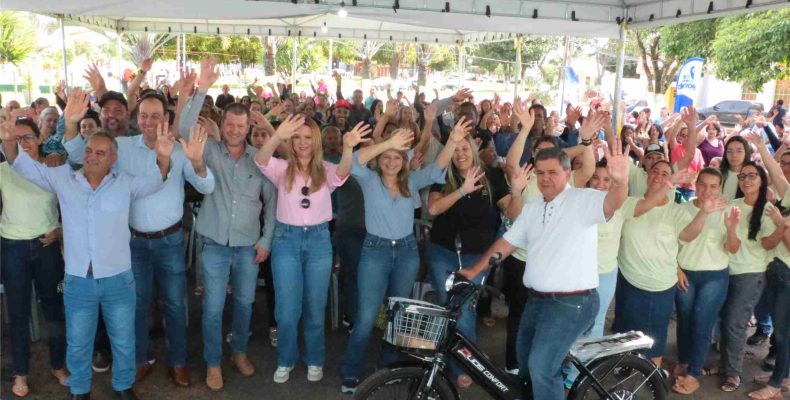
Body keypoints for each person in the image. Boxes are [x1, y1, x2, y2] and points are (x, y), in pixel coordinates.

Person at [1, 117, 174, 400]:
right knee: (78, 342)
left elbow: (156, 182)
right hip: (79, 279)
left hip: (117, 277)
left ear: (113, 158)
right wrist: (9, 140)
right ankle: (80, 389)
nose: (92, 156)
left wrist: (164, 157)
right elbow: (24, 167)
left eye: (100, 153)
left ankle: (123, 385)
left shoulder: (126, 184)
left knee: (123, 339)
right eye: (90, 150)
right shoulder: (64, 179)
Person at [459, 138, 630, 400]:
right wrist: (474, 271)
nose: (545, 178)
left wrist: (619, 181)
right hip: (537, 301)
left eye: (552, 172)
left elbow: (613, 202)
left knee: (541, 368)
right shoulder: (532, 209)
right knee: (526, 366)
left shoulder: (582, 200)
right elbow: (507, 242)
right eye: (540, 173)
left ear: (567, 173)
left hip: (573, 302)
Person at [339, 118, 471, 393]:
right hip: (376, 251)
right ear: (379, 159)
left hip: (408, 251)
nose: (390, 161)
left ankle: (387, 368)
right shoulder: (370, 180)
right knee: (366, 316)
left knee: (397, 315)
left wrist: (453, 141)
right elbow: (353, 162)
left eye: (396, 157)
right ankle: (350, 372)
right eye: (386, 157)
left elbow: (438, 168)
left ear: (404, 159)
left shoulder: (411, 180)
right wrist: (386, 143)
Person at [112, 89, 214, 387]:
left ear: (166, 119)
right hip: (133, 243)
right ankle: (140, 360)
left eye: (155, 115)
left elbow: (207, 187)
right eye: (143, 115)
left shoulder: (181, 150)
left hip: (170, 242)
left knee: (175, 304)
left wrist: (197, 162)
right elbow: (88, 159)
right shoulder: (123, 147)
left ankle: (178, 362)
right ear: (137, 118)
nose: (148, 121)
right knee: (138, 304)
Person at [255, 114, 360, 384]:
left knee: (315, 306)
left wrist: (348, 148)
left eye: (308, 138)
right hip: (285, 240)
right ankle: (285, 359)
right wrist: (277, 135)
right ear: (291, 141)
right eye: (297, 137)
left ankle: (315, 358)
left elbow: (343, 172)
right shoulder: (281, 167)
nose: (302, 143)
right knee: (287, 309)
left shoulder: (325, 169)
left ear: (316, 141)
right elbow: (260, 159)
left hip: (318, 241)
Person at [182, 100, 277, 390]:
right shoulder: (208, 150)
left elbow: (272, 204)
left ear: (248, 127)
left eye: (240, 125)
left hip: (248, 245)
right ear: (221, 126)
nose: (235, 130)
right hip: (214, 244)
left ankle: (239, 352)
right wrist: (200, 91)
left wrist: (266, 239)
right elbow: (184, 127)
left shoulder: (260, 159)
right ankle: (213, 362)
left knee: (245, 304)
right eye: (230, 125)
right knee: (212, 307)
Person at [1, 117, 68, 397]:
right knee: (17, 314)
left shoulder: (53, 168)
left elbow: (74, 206)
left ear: (40, 138)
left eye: (28, 137)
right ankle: (20, 371)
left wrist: (61, 230)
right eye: (15, 139)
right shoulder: (3, 170)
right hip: (13, 247)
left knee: (53, 309)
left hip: (46, 246)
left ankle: (58, 364)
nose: (22, 143)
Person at [671, 168, 741, 395]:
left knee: (703, 323)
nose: (707, 190)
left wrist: (731, 230)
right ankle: (683, 360)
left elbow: (732, 248)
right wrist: (676, 268)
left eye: (713, 186)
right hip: (685, 273)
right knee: (685, 319)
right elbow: (671, 243)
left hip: (714, 276)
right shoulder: (681, 209)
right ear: (695, 183)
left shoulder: (728, 211)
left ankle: (694, 372)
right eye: (702, 184)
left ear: (720, 188)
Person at [719, 161, 785, 394]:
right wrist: (730, 229)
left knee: (735, 324)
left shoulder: (767, 209)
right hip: (726, 270)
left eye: (752, 176)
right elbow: (730, 246)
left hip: (751, 274)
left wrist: (779, 227)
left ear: (761, 180)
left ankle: (733, 373)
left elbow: (767, 244)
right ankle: (724, 366)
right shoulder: (732, 205)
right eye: (743, 176)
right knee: (726, 320)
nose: (746, 180)